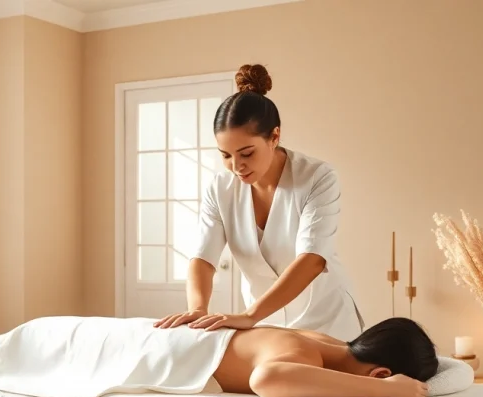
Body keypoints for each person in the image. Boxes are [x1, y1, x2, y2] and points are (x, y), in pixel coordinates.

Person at [154, 63, 363, 341]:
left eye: (247, 153)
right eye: (226, 155)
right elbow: (203, 257)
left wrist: (250, 316)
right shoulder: (220, 188)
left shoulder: (316, 176)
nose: (236, 166)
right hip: (265, 325)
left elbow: (312, 259)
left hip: (325, 319)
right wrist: (198, 309)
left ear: (274, 136)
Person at [0, 317, 438, 397]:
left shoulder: (322, 340)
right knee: (45, 353)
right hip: (149, 347)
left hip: (157, 340)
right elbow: (268, 380)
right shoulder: (302, 352)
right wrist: (386, 391)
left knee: (41, 350)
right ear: (380, 369)